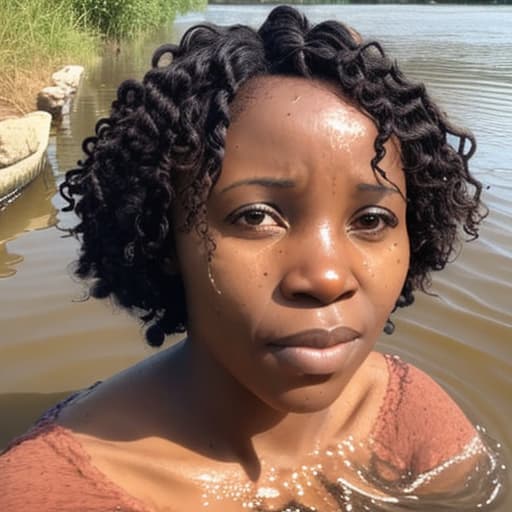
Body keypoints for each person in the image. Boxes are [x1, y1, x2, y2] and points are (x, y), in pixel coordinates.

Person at [0, 6, 504, 511]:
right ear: (162, 234)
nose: (326, 277)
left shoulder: (408, 416)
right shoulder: (53, 492)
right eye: (256, 216)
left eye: (371, 220)